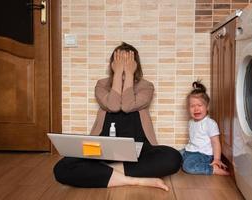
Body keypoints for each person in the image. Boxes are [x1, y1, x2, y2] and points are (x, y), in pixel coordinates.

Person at [53, 42, 182, 191]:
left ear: (135, 65)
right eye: (119, 61)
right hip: (100, 149)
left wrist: (128, 75)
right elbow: (113, 105)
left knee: (173, 158)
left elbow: (127, 106)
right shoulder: (101, 85)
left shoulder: (146, 86)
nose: (123, 64)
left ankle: (103, 171)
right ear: (113, 64)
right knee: (62, 167)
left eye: (128, 62)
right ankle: (134, 180)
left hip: (140, 151)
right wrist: (118, 74)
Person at [180, 81, 229, 176]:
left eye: (199, 105)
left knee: (188, 167)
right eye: (192, 106)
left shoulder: (210, 123)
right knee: (173, 155)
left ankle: (211, 169)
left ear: (207, 107)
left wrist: (217, 159)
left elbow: (215, 142)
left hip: (203, 154)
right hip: (189, 151)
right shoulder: (191, 122)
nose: (196, 109)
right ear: (188, 108)